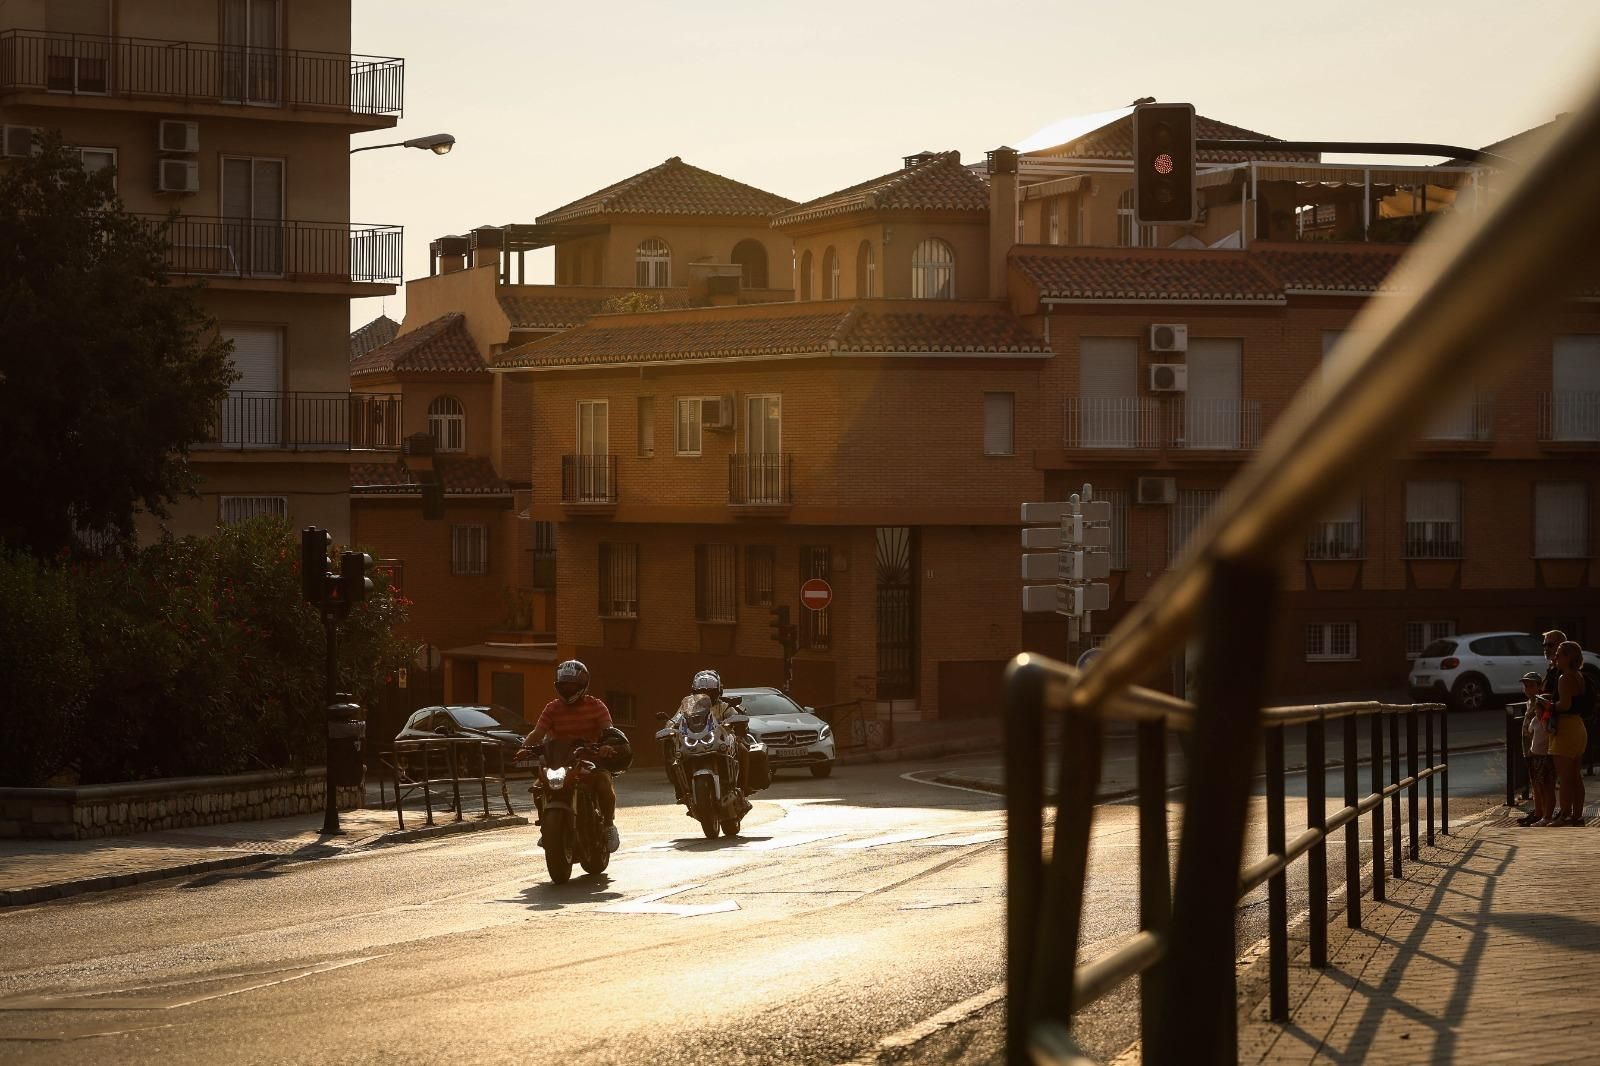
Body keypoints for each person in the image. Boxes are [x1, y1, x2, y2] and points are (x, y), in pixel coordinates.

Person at [522, 660, 622, 852]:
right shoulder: (552, 708)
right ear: (557, 686)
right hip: (559, 761)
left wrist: (607, 746)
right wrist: (523, 748)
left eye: (572, 685)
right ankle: (547, 829)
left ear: (582, 685)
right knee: (538, 788)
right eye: (564, 685)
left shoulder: (596, 706)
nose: (567, 689)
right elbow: (537, 733)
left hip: (590, 759)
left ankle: (609, 825)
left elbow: (608, 730)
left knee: (603, 783)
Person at [1546, 640, 1591, 826]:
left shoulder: (1564, 678)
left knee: (1564, 777)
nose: (1555, 657)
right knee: (1576, 775)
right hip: (1578, 726)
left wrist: (1547, 705)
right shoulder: (1579, 676)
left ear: (1568, 657)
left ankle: (1564, 814)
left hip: (1565, 728)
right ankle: (1577, 815)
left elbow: (1565, 705)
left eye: (1559, 653)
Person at [1518, 672, 1557, 827]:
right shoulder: (1530, 702)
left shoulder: (1541, 702)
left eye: (1532, 685)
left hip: (1539, 750)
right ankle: (1538, 810)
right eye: (1526, 685)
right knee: (1534, 781)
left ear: (1539, 686)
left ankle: (1542, 812)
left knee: (1542, 782)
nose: (1528, 688)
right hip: (1530, 747)